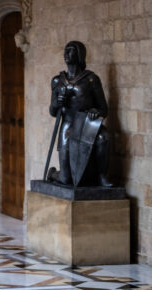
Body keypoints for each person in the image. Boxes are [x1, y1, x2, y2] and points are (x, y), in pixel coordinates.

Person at [47, 40, 112, 187]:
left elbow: (104, 109)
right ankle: (53, 173)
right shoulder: (57, 81)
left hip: (86, 125)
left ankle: (101, 175)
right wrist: (58, 102)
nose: (66, 54)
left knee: (104, 137)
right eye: (65, 50)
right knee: (66, 179)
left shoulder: (91, 79)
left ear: (80, 54)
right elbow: (52, 111)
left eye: (70, 50)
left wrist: (95, 112)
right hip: (68, 126)